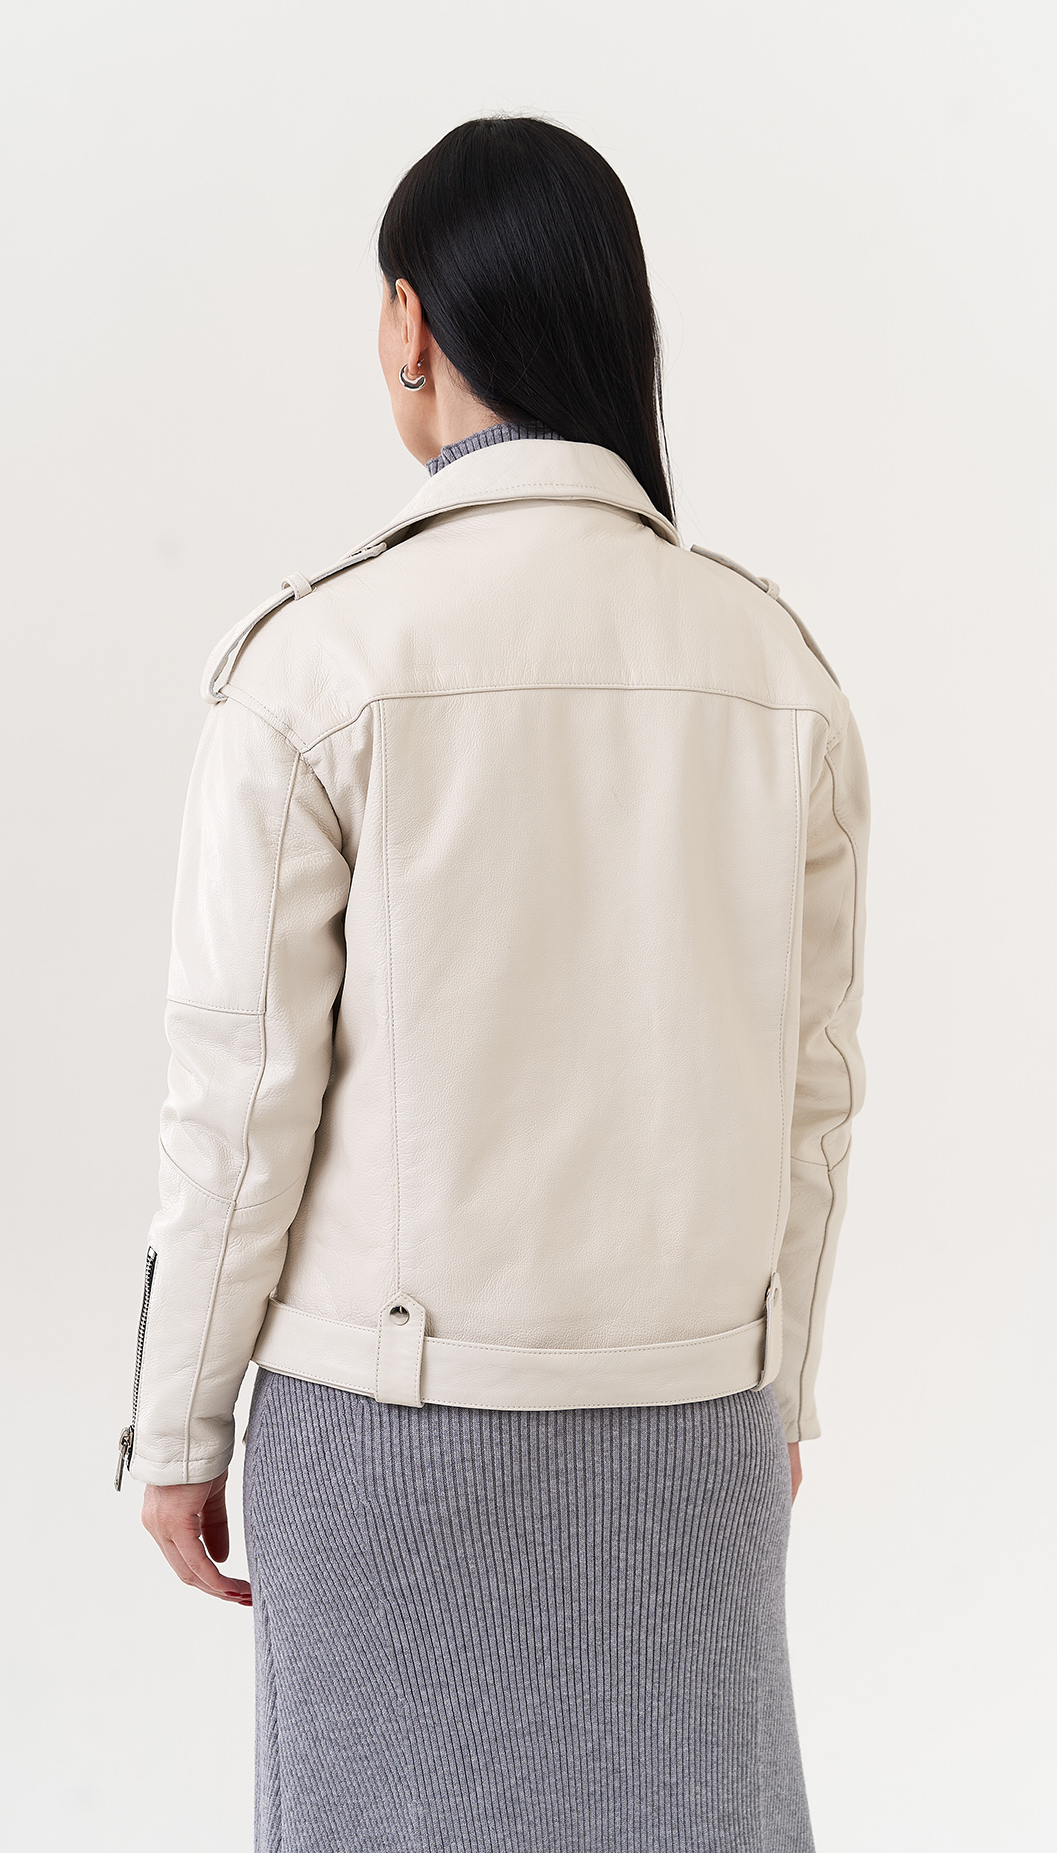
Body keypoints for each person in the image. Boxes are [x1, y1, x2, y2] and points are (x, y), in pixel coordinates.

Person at [117, 114, 868, 1853]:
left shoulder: (316, 663)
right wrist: (782, 1383)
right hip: (690, 1427)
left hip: (387, 1440)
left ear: (410, 323)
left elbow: (237, 1101)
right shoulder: (777, 666)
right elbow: (814, 1089)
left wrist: (175, 1425)